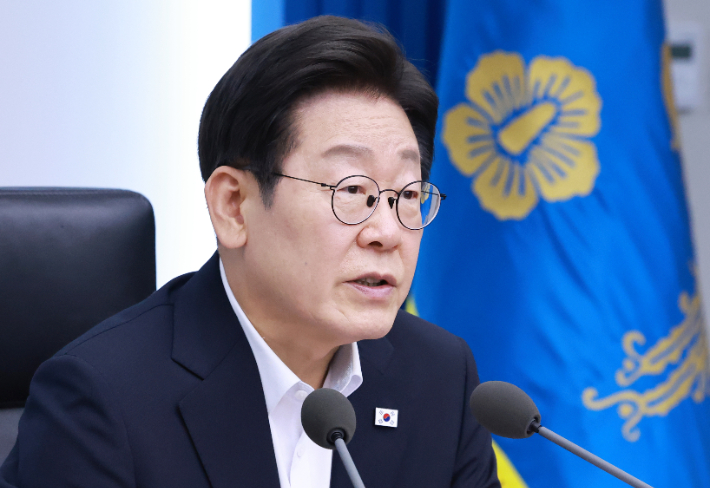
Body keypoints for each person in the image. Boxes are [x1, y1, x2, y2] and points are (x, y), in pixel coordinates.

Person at [0, 15, 500, 488]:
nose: (387, 232)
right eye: (351, 190)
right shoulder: (101, 400)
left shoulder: (440, 378)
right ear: (234, 206)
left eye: (408, 194)